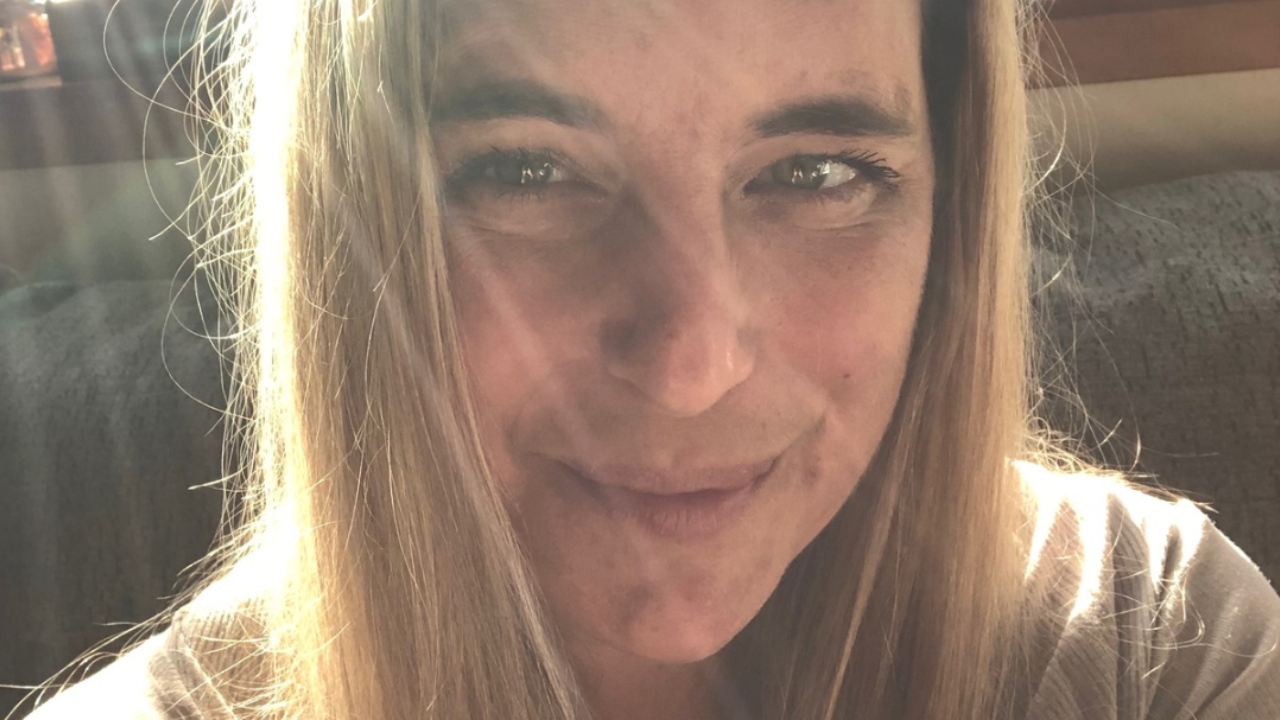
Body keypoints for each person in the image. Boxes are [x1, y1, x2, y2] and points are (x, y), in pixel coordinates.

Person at [23, 0, 1280, 718]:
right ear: (353, 227)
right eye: (524, 170)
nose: (691, 363)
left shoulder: (1150, 642)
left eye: (816, 172)